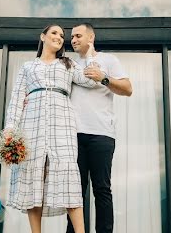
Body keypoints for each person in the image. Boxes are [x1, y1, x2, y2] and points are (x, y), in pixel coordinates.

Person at [4, 24, 100, 233]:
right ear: (43, 37)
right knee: (34, 179)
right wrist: (10, 129)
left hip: (62, 126)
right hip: (32, 126)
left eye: (62, 35)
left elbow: (90, 81)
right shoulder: (28, 67)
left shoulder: (67, 64)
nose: (59, 37)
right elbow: (17, 99)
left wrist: (90, 51)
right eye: (54, 33)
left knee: (69, 179)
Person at [65, 23, 133, 233]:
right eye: (72, 37)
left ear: (91, 37)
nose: (73, 40)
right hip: (74, 136)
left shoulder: (109, 60)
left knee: (102, 189)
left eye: (78, 36)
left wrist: (103, 78)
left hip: (102, 134)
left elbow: (128, 89)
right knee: (75, 192)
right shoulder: (69, 65)